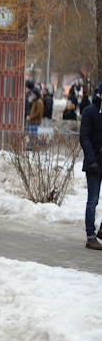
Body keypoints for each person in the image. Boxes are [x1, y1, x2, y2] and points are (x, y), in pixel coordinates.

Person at [80, 81, 102, 250]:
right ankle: (90, 236)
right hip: (94, 163)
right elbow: (84, 137)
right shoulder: (89, 111)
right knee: (92, 200)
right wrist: (91, 160)